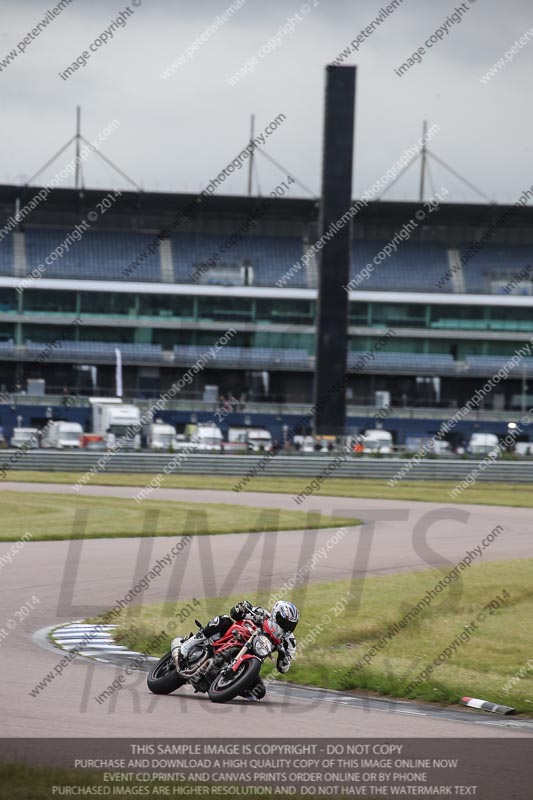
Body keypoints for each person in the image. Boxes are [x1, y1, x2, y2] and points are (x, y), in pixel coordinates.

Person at [171, 600, 299, 699]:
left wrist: (285, 658)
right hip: (237, 636)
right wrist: (241, 607)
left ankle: (229, 686)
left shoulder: (289, 641)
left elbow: (283, 668)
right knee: (223, 620)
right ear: (275, 614)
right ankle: (186, 646)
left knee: (259, 691)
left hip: (254, 654)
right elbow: (235, 613)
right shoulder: (262, 613)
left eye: (291, 625)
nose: (287, 627)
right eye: (284, 622)